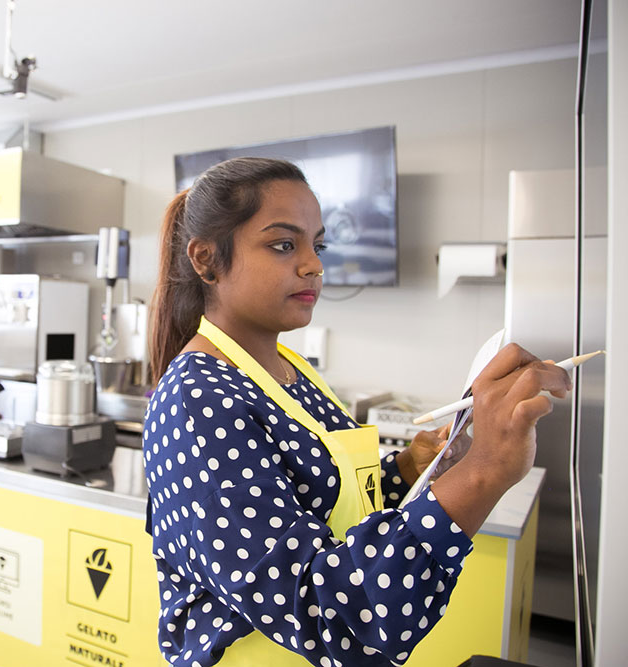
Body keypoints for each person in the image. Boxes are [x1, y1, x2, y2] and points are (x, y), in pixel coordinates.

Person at [142, 157, 571, 667]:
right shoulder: (197, 400)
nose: (314, 264)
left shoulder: (290, 371)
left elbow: (330, 504)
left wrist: (412, 467)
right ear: (207, 260)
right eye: (284, 244)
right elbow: (328, 612)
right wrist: (484, 473)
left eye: (317, 245)